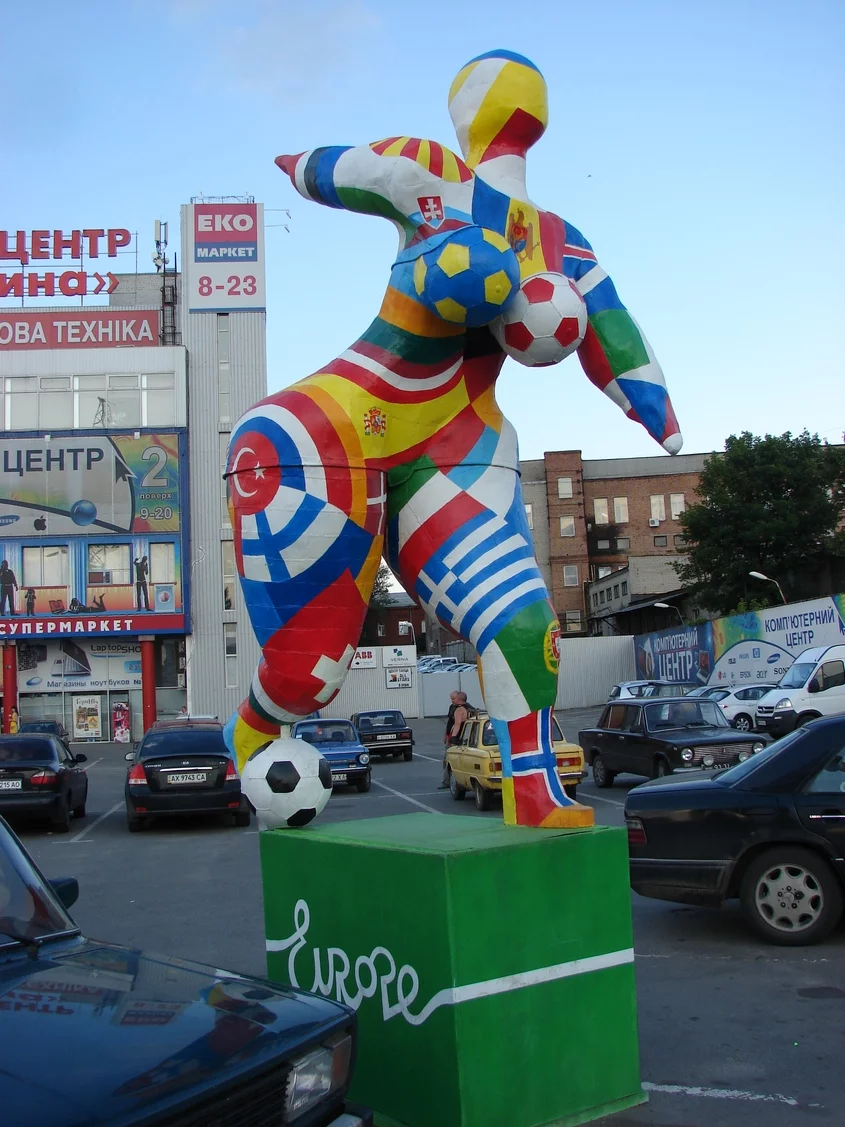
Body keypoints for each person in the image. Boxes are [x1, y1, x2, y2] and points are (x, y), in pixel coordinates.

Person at [439, 692, 469, 788]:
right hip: (459, 737)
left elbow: (457, 724)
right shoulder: (463, 708)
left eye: (453, 698)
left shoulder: (459, 709)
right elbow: (450, 723)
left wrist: (453, 738)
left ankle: (448, 782)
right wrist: (446, 735)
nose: (452, 700)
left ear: (458, 699)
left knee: (448, 760)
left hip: (456, 738)